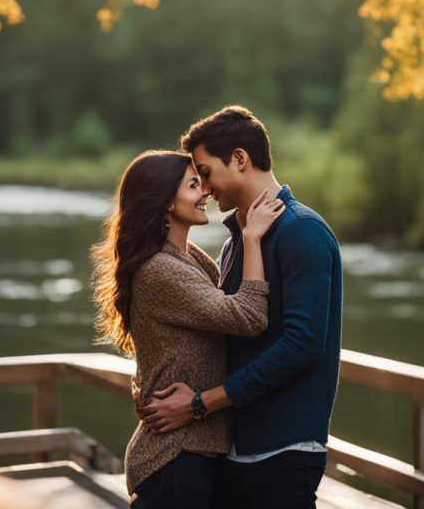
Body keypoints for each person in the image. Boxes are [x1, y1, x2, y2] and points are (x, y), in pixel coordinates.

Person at [138, 105, 343, 509]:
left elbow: (301, 345)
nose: (206, 188)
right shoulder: (237, 241)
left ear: (239, 159)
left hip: (282, 451)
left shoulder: (302, 232)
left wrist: (200, 403)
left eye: (207, 173)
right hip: (234, 448)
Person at [91, 149, 286, 508]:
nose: (206, 193)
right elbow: (248, 317)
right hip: (174, 456)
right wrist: (252, 238)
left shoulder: (189, 258)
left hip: (193, 451)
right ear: (166, 201)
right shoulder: (160, 269)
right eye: (194, 185)